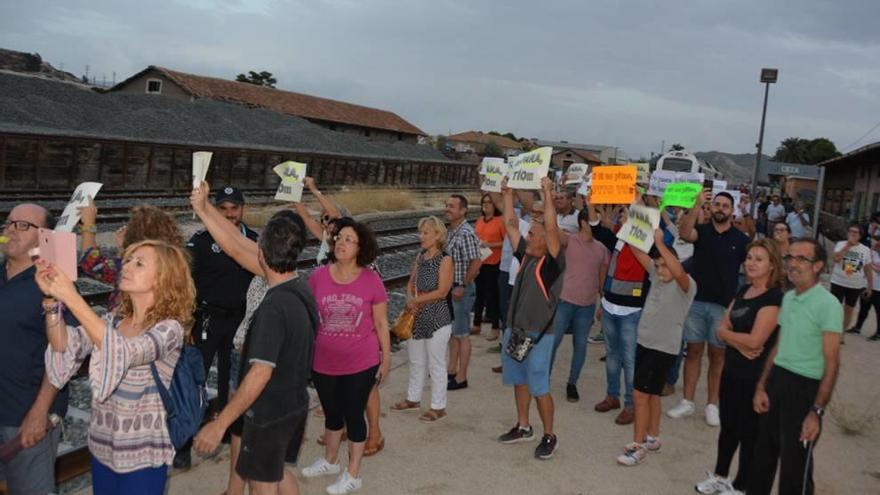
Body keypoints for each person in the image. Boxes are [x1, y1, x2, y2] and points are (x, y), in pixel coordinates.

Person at [39, 240, 195, 494]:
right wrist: (52, 301)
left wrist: (73, 297)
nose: (128, 266)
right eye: (129, 259)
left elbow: (124, 351)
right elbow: (63, 344)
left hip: (142, 457)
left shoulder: (170, 329)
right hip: (102, 448)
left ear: (163, 279)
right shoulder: (112, 321)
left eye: (140, 263)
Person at [194, 214, 316, 495]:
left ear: (260, 253)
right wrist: (204, 208)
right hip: (293, 403)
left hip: (269, 411)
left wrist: (219, 424)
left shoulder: (273, 307)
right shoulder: (301, 288)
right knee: (278, 473)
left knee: (261, 482)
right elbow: (236, 242)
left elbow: (260, 372)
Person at [301, 219, 391, 494]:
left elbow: (380, 323)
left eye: (349, 239)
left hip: (360, 362)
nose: (341, 242)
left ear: (361, 247)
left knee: (354, 414)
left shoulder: (371, 280)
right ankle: (330, 461)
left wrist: (385, 357)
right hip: (323, 361)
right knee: (331, 413)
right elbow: (308, 317)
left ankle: (353, 474)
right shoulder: (317, 277)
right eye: (339, 237)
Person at [747, 238, 842, 494]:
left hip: (805, 389)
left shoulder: (829, 305)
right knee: (762, 457)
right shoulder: (788, 298)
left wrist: (816, 411)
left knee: (795, 467)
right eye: (789, 258)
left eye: (802, 259)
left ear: (818, 265)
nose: (793, 264)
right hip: (777, 381)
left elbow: (832, 363)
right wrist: (761, 386)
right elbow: (779, 346)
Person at [694, 239, 784, 493]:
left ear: (772, 265)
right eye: (749, 257)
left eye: (759, 259)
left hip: (755, 378)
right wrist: (739, 342)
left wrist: (731, 337)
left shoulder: (774, 298)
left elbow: (757, 341)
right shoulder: (743, 290)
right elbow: (721, 328)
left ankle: (741, 486)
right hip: (732, 371)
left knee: (749, 434)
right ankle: (721, 476)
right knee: (728, 427)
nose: (751, 263)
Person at [179, 186, 258, 469]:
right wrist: (187, 319)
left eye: (233, 208)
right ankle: (184, 443)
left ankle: (226, 431)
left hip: (239, 323)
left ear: (242, 209)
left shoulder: (254, 241)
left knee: (232, 381)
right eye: (222, 208)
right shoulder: (201, 241)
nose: (228, 214)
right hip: (207, 321)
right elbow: (184, 282)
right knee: (194, 381)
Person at [1, 204, 69, 495]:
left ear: (45, 238)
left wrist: (40, 411)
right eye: (8, 223)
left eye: (23, 226)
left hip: (23, 416)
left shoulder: (53, 285)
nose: (10, 229)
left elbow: (64, 352)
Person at [667, 191, 749, 426]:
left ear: (732, 211)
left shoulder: (740, 239)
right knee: (693, 352)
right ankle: (687, 402)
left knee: (717, 356)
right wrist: (696, 205)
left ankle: (712, 404)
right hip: (696, 302)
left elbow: (752, 271)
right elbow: (684, 232)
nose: (721, 208)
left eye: (725, 205)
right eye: (717, 204)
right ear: (711, 208)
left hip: (723, 307)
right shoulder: (702, 232)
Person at [497, 176, 565, 460]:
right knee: (519, 380)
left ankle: (550, 435)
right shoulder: (526, 256)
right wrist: (508, 194)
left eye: (533, 235)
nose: (528, 237)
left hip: (539, 335)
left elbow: (550, 228)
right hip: (515, 330)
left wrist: (547, 194)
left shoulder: (552, 265)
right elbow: (511, 225)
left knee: (540, 387)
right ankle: (524, 426)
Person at [617, 229, 696, 466]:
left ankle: (637, 446)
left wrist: (660, 243)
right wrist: (633, 221)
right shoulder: (655, 275)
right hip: (645, 343)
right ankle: (653, 437)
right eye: (658, 265)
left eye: (665, 265)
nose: (661, 269)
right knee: (650, 394)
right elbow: (636, 249)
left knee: (639, 394)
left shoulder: (686, 284)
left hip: (662, 349)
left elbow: (678, 270)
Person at [589, 201, 650, 426]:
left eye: (626, 215)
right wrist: (589, 202)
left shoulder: (645, 243)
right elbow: (596, 229)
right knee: (612, 356)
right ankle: (612, 396)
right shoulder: (619, 240)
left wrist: (638, 200)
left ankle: (631, 405)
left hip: (632, 311)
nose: (621, 218)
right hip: (610, 307)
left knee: (630, 360)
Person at [392, 216, 454, 421]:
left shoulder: (445, 259)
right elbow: (411, 282)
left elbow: (442, 291)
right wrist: (410, 297)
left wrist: (417, 300)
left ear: (438, 235)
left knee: (436, 363)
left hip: (437, 316)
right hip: (417, 315)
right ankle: (413, 398)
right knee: (416, 359)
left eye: (426, 232)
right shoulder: (420, 257)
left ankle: (438, 406)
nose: (421, 236)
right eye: (421, 232)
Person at [79, 201, 183, 311]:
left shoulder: (131, 268)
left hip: (123, 324)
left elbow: (91, 263)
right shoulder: (170, 261)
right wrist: (124, 249)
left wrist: (88, 225)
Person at [550, 208, 609, 402]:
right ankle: (543, 377)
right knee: (554, 341)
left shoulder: (602, 249)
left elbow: (602, 279)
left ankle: (572, 383)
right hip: (565, 301)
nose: (597, 223)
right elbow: (553, 228)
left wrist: (603, 304)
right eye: (594, 219)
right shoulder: (570, 240)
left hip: (587, 305)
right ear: (584, 223)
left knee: (581, 345)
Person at [445, 194, 482, 390]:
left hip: (461, 289)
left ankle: (462, 377)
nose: (447, 209)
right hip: (451, 289)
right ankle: (451, 369)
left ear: (463, 210)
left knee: (462, 334)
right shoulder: (451, 231)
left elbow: (476, 262)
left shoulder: (466, 233)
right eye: (447, 205)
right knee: (453, 333)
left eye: (452, 206)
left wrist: (463, 284)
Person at [472, 193, 505, 341]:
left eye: (489, 202)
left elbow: (507, 242)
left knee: (492, 296)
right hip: (480, 262)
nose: (486, 205)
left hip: (494, 263)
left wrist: (490, 245)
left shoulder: (500, 221)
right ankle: (476, 324)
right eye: (484, 202)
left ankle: (495, 327)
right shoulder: (479, 221)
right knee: (478, 294)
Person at [830, 222, 873, 332]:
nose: (852, 234)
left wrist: (869, 286)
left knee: (849, 310)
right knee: (834, 308)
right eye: (850, 231)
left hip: (854, 285)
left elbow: (868, 269)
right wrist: (847, 246)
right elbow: (835, 259)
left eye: (855, 232)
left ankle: (842, 332)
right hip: (838, 282)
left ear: (860, 235)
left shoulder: (865, 250)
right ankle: (833, 330)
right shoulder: (841, 244)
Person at [292, 177, 344, 266]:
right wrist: (292, 194)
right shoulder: (325, 237)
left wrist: (314, 189)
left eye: (327, 218)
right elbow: (307, 217)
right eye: (322, 219)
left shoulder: (343, 238)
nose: (324, 222)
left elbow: (335, 215)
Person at [849, 235, 880, 340]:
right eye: (874, 242)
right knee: (863, 307)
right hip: (866, 285)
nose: (875, 244)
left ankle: (879, 333)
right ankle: (857, 327)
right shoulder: (871, 253)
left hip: (878, 288)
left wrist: (869, 265)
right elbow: (860, 265)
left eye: (877, 243)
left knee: (878, 310)